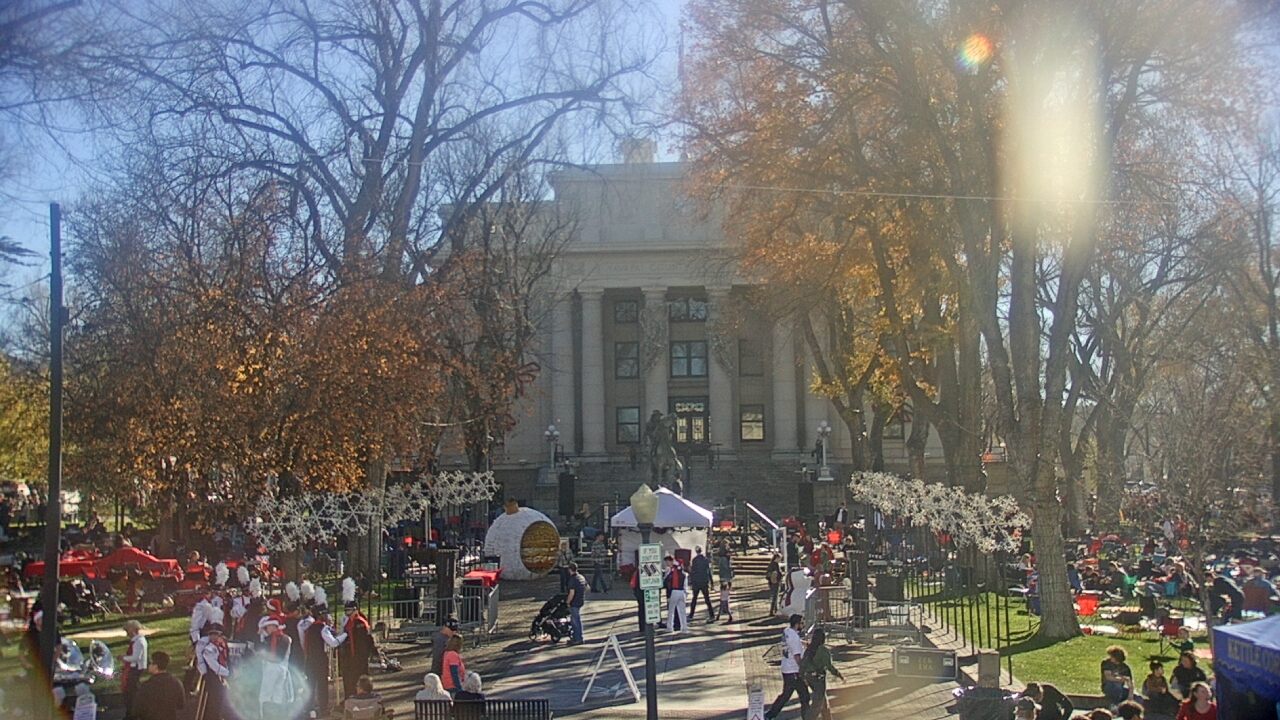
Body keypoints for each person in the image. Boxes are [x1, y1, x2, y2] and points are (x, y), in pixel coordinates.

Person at [303, 596, 347, 719]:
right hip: (320, 660)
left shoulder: (310, 628)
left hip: (310, 659)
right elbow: (333, 643)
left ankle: (309, 708)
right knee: (322, 685)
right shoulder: (323, 628)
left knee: (310, 684)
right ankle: (323, 708)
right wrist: (344, 635)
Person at [764, 614, 809, 720]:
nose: (803, 625)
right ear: (797, 624)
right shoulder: (794, 638)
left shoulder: (787, 631)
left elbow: (791, 643)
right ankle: (807, 717)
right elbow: (797, 656)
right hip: (794, 671)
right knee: (803, 696)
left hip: (786, 668)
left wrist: (802, 643)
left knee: (787, 695)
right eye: (801, 623)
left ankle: (770, 715)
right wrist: (803, 670)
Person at [799, 627, 843, 720]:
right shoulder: (823, 650)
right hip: (819, 679)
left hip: (809, 678)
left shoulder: (809, 649)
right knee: (817, 705)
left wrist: (802, 676)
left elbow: (803, 663)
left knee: (824, 703)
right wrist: (839, 675)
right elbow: (829, 666)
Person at [258, 615, 295, 719]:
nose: (267, 629)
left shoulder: (270, 639)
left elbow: (266, 653)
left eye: (268, 626)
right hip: (283, 669)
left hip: (271, 667)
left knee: (264, 696)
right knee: (277, 696)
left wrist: (261, 636)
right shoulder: (287, 639)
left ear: (274, 626)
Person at [131, 651, 185, 720]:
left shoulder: (146, 686)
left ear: (156, 666)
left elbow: (136, 711)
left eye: (150, 663)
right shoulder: (177, 682)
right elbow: (180, 705)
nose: (148, 665)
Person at [339, 599, 374, 700]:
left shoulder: (360, 622)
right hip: (351, 657)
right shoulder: (349, 622)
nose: (347, 613)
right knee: (351, 680)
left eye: (349, 610)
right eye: (346, 610)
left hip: (359, 657)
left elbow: (365, 641)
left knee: (362, 680)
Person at [194, 621, 230, 720]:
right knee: (213, 697)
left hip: (219, 674)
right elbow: (214, 666)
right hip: (212, 675)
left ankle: (216, 715)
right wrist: (227, 673)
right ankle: (212, 716)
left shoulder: (221, 645)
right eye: (211, 634)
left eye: (216, 634)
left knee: (220, 696)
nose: (213, 637)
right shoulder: (209, 649)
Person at [121, 618, 148, 718]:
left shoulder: (138, 642)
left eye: (127, 630)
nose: (127, 633)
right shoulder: (137, 641)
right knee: (132, 691)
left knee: (131, 692)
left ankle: (132, 714)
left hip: (135, 669)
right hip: (134, 668)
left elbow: (136, 657)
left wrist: (123, 658)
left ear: (132, 630)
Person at [663, 555, 688, 635]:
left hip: (674, 591)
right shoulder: (684, 574)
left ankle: (670, 627)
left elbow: (667, 582)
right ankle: (684, 627)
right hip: (681, 592)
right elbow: (685, 585)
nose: (667, 563)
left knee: (671, 611)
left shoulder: (671, 571)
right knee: (682, 611)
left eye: (668, 561)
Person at [689, 547, 715, 622]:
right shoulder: (705, 559)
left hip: (696, 582)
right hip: (704, 581)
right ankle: (711, 614)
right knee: (707, 599)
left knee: (694, 599)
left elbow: (693, 572)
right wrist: (711, 581)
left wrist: (691, 581)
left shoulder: (694, 560)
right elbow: (708, 571)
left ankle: (691, 614)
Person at [566, 562, 588, 645]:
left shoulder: (572, 579)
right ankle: (576, 636)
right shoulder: (581, 577)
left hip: (574, 602)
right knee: (575, 619)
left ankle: (578, 638)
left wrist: (567, 602)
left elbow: (571, 593)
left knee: (575, 620)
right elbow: (587, 587)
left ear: (570, 570)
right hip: (580, 600)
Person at [766, 551, 783, 616]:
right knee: (775, 596)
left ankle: (775, 609)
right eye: (780, 559)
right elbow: (777, 573)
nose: (780, 560)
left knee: (775, 596)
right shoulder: (775, 565)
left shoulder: (771, 565)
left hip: (771, 582)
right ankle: (772, 610)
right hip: (775, 582)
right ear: (777, 558)